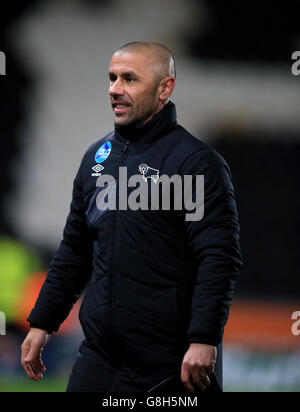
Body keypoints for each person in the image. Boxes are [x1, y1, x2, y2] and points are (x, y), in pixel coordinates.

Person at [21, 41, 243, 392]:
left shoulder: (196, 164)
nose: (114, 89)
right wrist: (42, 323)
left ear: (164, 88)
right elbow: (74, 252)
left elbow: (218, 257)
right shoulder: (96, 159)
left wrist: (203, 339)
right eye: (112, 78)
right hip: (99, 357)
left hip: (171, 360)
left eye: (129, 79)